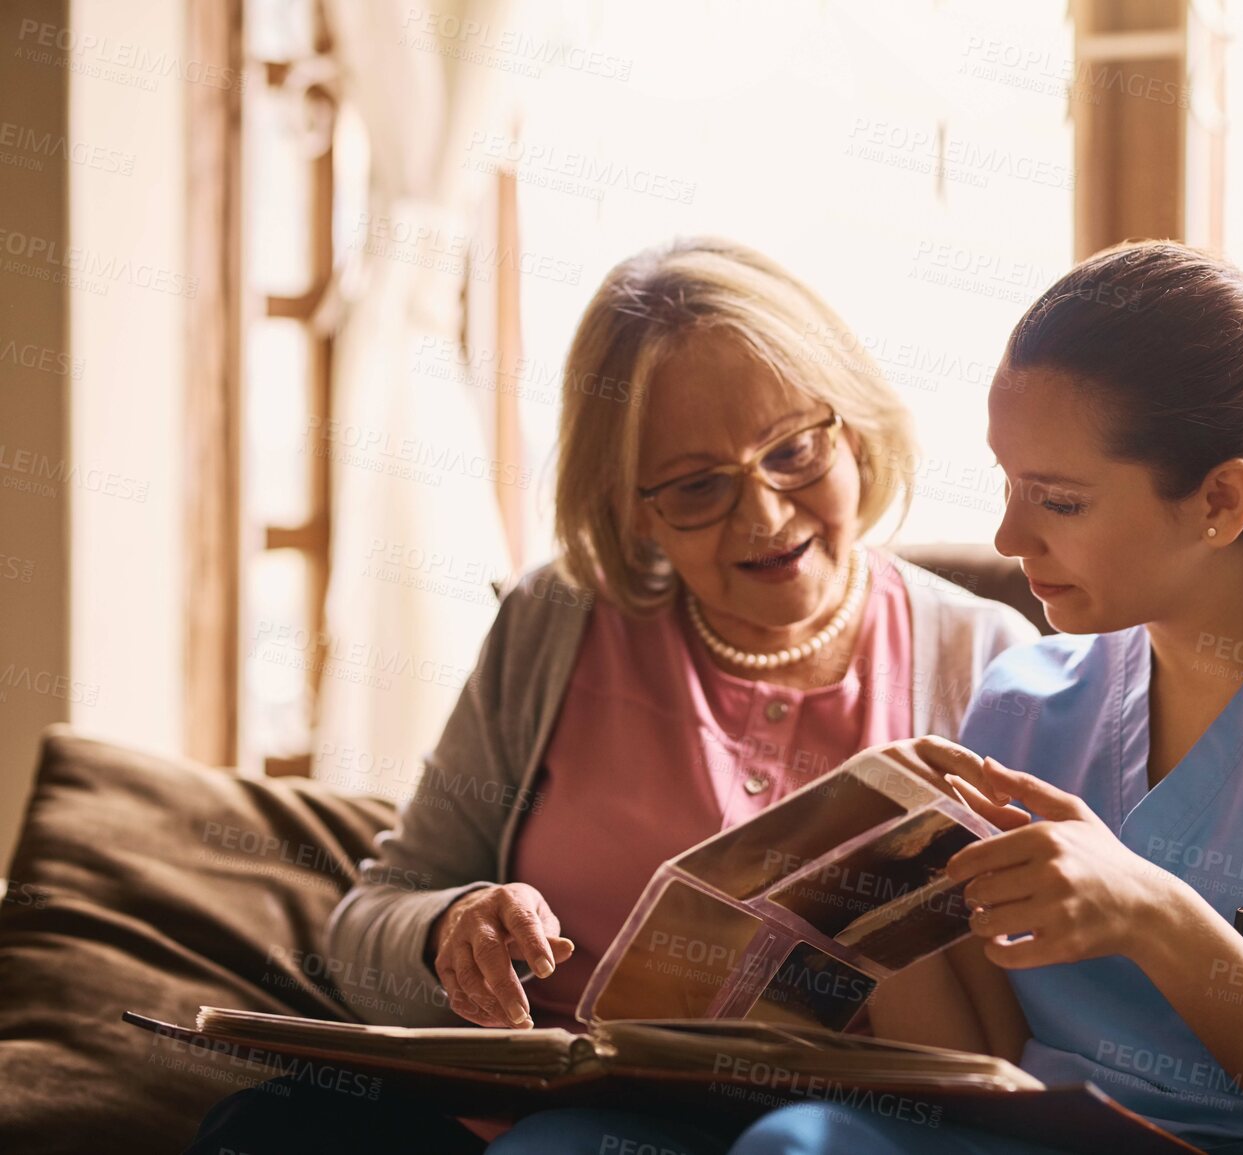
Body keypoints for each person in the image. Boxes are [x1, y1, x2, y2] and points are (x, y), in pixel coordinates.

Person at [495, 241, 1243, 1154]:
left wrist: (1155, 915)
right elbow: (983, 1063)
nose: (1011, 542)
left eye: (1057, 500)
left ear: (1218, 501)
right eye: (1008, 485)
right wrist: (871, 892)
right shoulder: (1025, 702)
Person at [180, 237, 1038, 1155]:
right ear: (633, 507)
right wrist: (446, 931)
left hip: (818, 1126)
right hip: (533, 1108)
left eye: (793, 450)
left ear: (855, 430)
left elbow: (1036, 1012)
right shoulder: (556, 619)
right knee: (262, 1130)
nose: (765, 515)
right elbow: (370, 921)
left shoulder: (988, 658)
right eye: (699, 486)